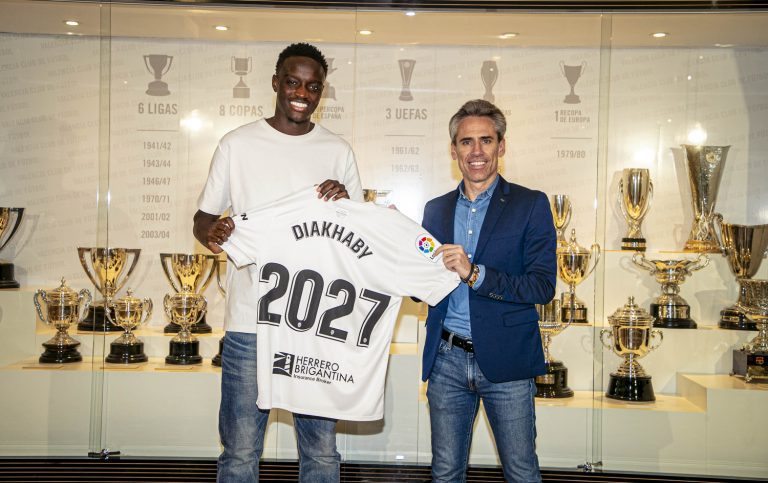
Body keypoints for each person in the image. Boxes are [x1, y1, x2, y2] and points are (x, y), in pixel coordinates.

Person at [192, 42, 363, 483]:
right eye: (292, 82)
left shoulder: (337, 151)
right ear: (275, 83)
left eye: (313, 86)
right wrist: (213, 233)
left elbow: (358, 238)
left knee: (321, 452)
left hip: (314, 325)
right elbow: (203, 218)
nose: (302, 93)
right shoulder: (236, 144)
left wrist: (346, 204)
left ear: (321, 92)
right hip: (249, 323)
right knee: (239, 451)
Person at [423, 99, 557, 483]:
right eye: (466, 142)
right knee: (445, 473)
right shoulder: (435, 209)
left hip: (508, 362)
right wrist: (402, 263)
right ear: (453, 150)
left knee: (521, 472)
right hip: (446, 360)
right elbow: (424, 288)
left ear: (502, 145)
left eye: (486, 140)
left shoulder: (530, 204)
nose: (476, 151)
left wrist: (475, 274)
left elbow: (542, 285)